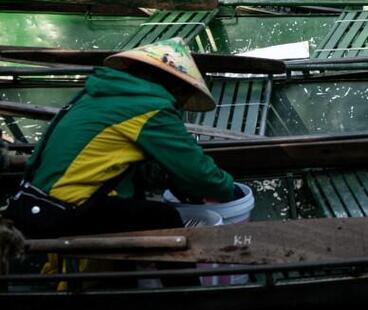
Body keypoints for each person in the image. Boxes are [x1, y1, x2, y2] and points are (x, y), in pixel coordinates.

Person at [3, 39, 236, 239]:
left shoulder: (96, 95)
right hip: (60, 213)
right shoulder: (151, 107)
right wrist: (228, 191)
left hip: (31, 201)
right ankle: (183, 290)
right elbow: (199, 173)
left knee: (137, 201)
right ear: (177, 88)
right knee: (164, 218)